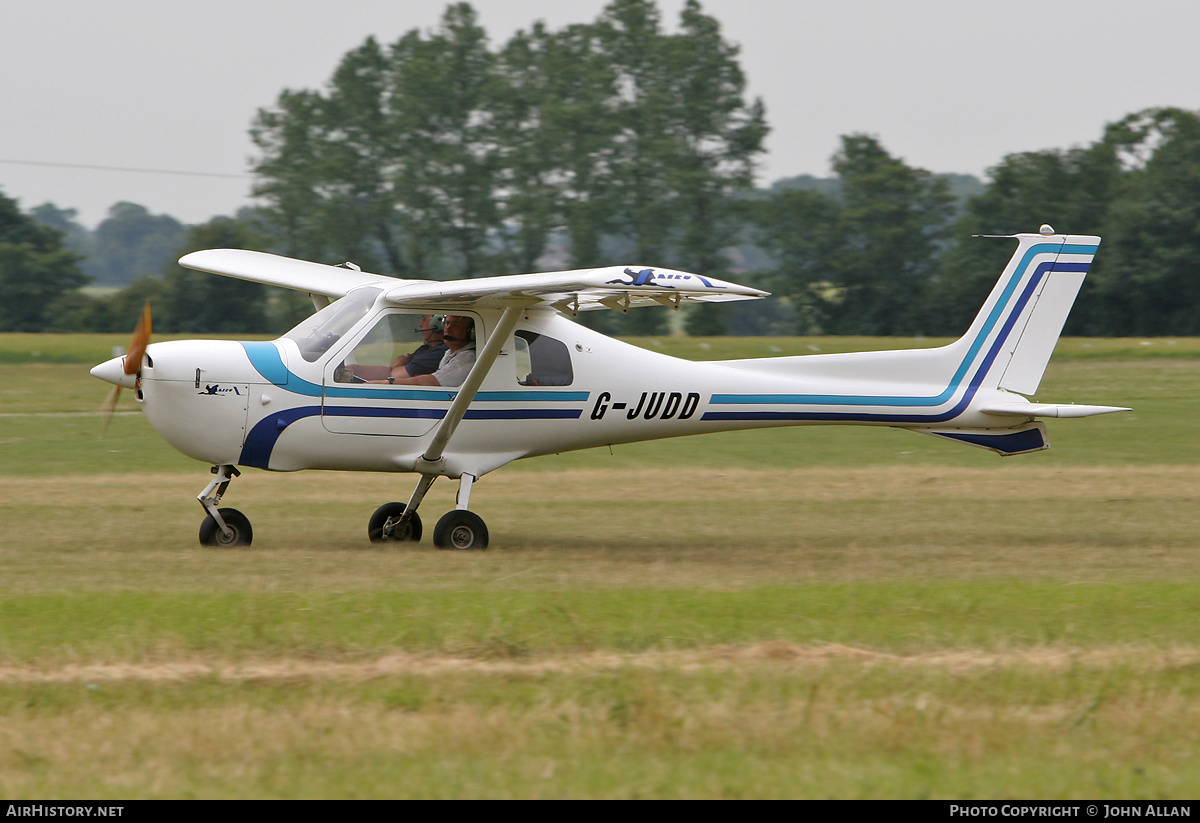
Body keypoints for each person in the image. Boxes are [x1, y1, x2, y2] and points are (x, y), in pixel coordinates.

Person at [383, 315, 476, 387]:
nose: (448, 329)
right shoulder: (449, 352)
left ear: (471, 332)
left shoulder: (468, 357)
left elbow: (433, 381)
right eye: (447, 323)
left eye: (455, 325)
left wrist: (388, 382)